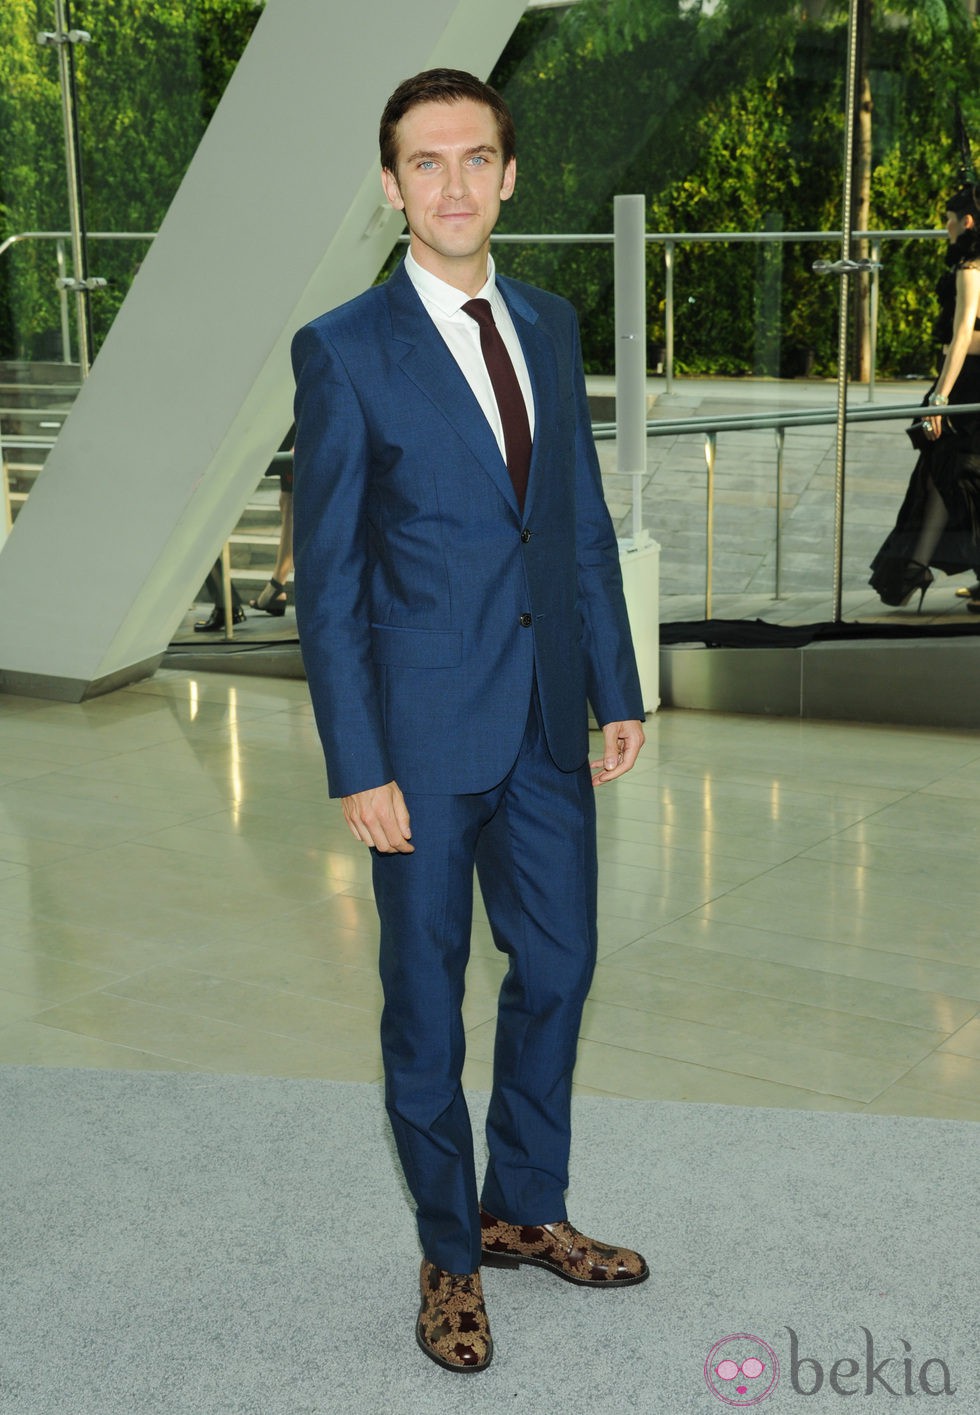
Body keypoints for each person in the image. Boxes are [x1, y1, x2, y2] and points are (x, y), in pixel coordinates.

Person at [291, 69, 649, 1375]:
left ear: (508, 175)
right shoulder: (341, 348)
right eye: (424, 163)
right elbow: (324, 580)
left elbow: (575, 522)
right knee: (426, 1010)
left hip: (550, 720)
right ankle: (451, 1245)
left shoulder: (549, 321)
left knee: (559, 970)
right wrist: (359, 761)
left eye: (475, 159)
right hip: (421, 745)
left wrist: (617, 683)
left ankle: (524, 1205)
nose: (452, 184)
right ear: (392, 186)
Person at [870, 184, 980, 611]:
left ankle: (914, 567)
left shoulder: (970, 267)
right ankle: (914, 567)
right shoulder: (967, 264)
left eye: (949, 219)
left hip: (965, 385)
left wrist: (940, 397)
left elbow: (961, 335)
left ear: (966, 221)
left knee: (956, 473)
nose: (946, 228)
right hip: (963, 380)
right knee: (942, 471)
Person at [250, 425, 294, 616]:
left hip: (298, 426)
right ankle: (276, 585)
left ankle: (277, 585)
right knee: (287, 501)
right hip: (290, 426)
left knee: (291, 505)